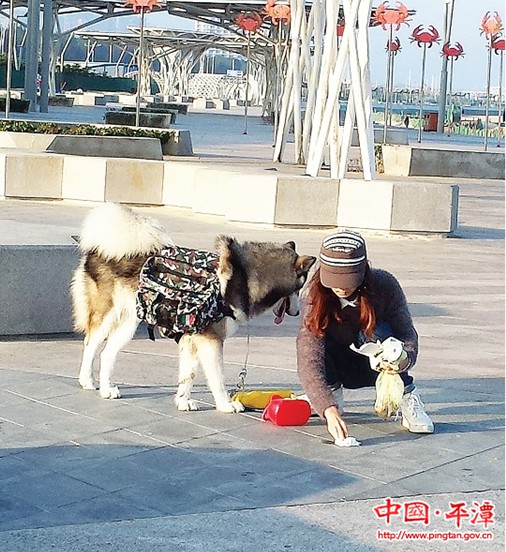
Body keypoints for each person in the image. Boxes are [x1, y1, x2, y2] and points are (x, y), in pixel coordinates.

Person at [296, 230, 434, 443]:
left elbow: (407, 333)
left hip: (377, 363)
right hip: (337, 363)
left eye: (348, 279)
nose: (341, 287)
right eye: (333, 278)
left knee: (382, 331)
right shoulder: (314, 296)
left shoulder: (384, 285)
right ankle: (333, 393)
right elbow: (308, 360)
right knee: (318, 336)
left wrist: (403, 359)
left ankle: (406, 395)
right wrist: (327, 408)